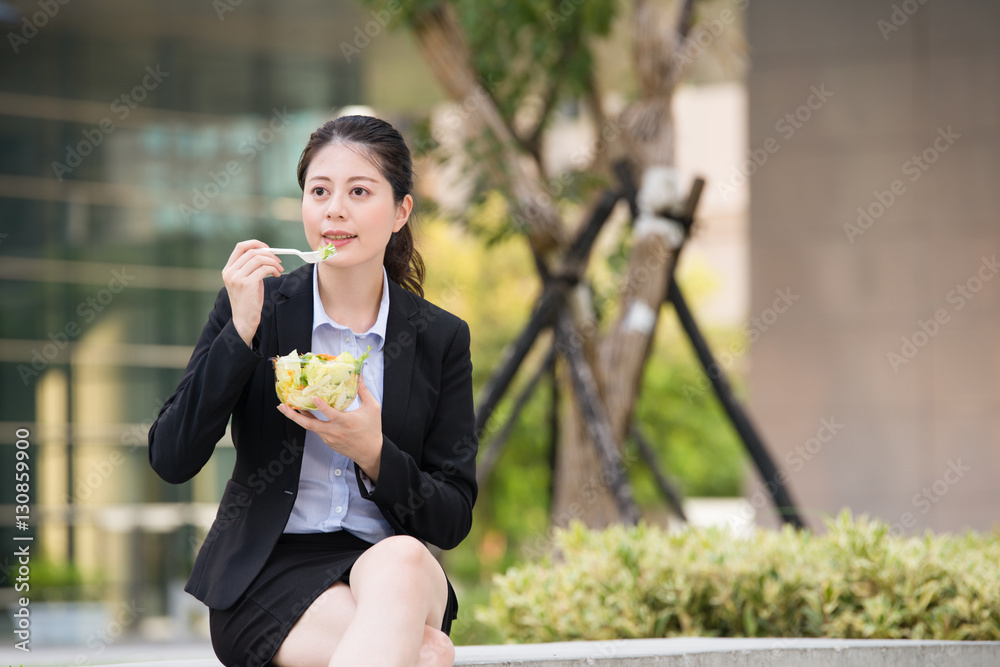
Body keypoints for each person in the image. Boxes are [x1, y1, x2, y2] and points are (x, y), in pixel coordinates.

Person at [148, 115, 478, 667]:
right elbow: (171, 458)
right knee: (428, 654)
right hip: (265, 570)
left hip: (391, 568)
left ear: (401, 211)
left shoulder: (440, 338)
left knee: (401, 559)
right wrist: (241, 331)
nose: (335, 210)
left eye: (359, 191)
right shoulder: (258, 306)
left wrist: (372, 453)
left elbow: (452, 517)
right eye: (319, 191)